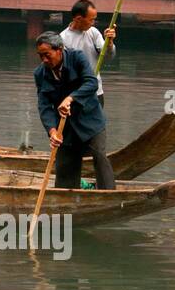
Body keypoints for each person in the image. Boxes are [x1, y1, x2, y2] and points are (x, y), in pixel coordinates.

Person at [34, 32, 115, 191]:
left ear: (59, 50)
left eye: (47, 55)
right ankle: (66, 202)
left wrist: (71, 98)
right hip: (65, 126)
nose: (44, 60)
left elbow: (91, 82)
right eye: (40, 56)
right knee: (64, 167)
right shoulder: (40, 73)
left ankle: (107, 193)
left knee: (99, 156)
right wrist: (52, 131)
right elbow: (44, 106)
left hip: (90, 119)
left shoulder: (77, 58)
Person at [59, 0, 116, 107]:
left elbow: (108, 58)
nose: (93, 23)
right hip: (75, 94)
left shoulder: (93, 32)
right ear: (79, 19)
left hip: (96, 91)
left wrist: (109, 43)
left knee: (97, 123)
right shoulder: (63, 39)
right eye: (91, 20)